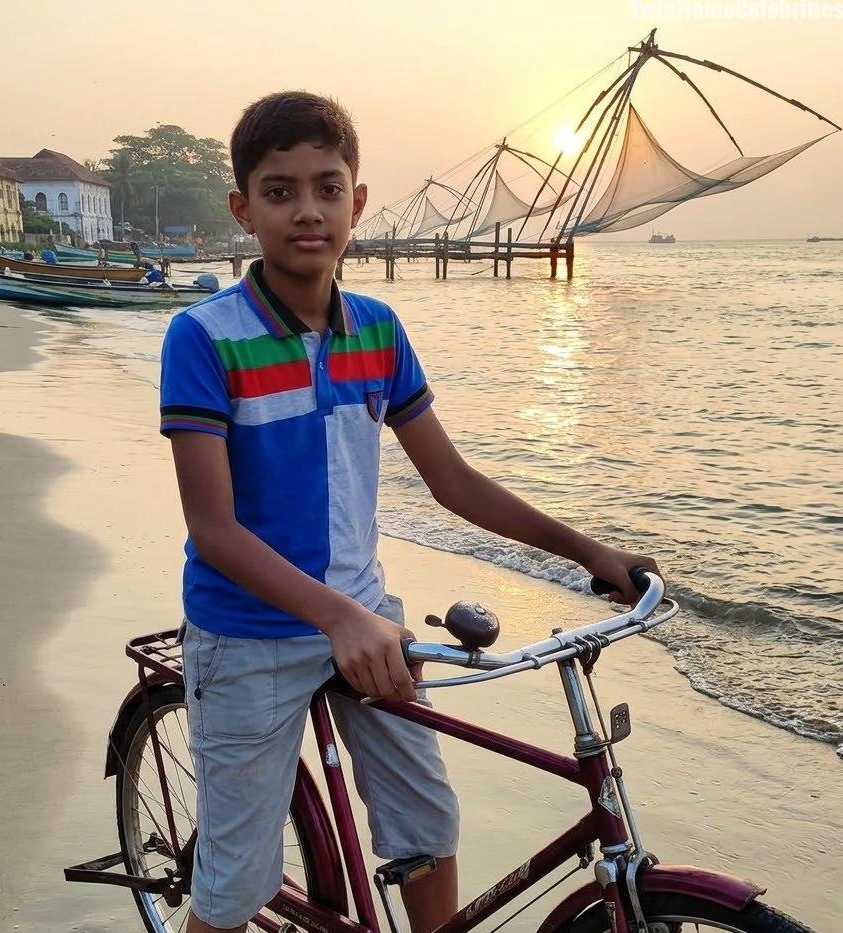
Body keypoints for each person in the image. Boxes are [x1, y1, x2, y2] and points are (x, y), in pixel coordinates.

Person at [159, 92, 662, 933]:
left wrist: (592, 552)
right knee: (235, 883)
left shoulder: (378, 331)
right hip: (248, 635)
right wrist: (337, 616)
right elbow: (214, 529)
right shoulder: (204, 337)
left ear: (358, 202)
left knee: (428, 822)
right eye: (279, 192)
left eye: (327, 187)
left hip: (368, 623)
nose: (307, 211)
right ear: (244, 209)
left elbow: (454, 481)